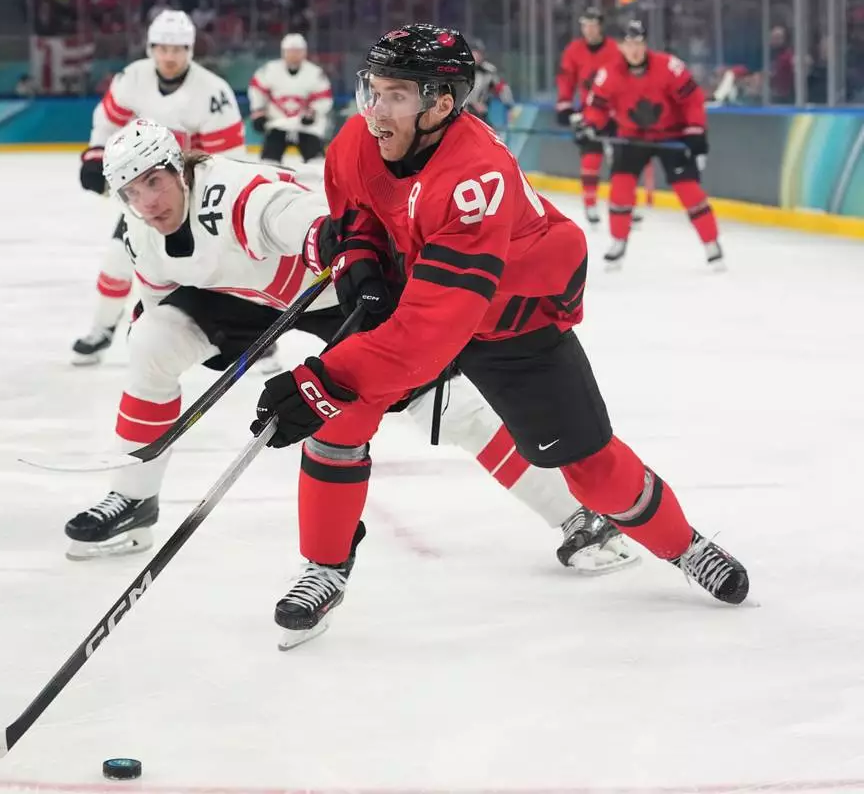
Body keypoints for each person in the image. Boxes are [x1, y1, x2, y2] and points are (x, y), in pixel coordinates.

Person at [249, 23, 749, 645]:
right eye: (372, 89)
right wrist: (361, 262)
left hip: (512, 312)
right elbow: (359, 216)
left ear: (440, 104)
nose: (376, 109)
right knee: (340, 417)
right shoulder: (359, 138)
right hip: (430, 286)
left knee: (591, 469)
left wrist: (324, 379)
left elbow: (430, 333)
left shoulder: (473, 176)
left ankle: (685, 545)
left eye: (396, 95)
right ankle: (324, 567)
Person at [64, 118, 635, 583]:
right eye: (131, 192)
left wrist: (329, 240)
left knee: (447, 407)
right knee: (152, 341)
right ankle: (133, 499)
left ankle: (576, 515)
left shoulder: (228, 192)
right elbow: (160, 294)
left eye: (154, 182)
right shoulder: (140, 232)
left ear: (178, 168)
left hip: (332, 286)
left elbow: (286, 212)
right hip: (247, 298)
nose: (146, 202)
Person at [72, 9, 246, 367]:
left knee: (216, 272)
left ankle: (253, 335)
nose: (170, 57)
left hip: (195, 198)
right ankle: (102, 329)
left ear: (190, 50)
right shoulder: (132, 78)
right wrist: (95, 155)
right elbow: (107, 123)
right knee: (117, 260)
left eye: (178, 49)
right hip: (147, 198)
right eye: (163, 48)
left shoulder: (213, 92)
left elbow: (229, 161)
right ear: (151, 48)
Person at [578, 19, 723, 270]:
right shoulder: (609, 73)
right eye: (628, 44)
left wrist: (696, 132)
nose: (634, 50)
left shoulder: (669, 67)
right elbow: (597, 107)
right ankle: (618, 242)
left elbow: (692, 99)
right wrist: (589, 125)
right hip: (632, 137)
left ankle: (711, 243)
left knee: (689, 189)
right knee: (620, 188)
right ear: (620, 47)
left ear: (645, 44)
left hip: (671, 135)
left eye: (638, 43)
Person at [555, 7, 624, 225]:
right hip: (590, 112)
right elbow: (566, 79)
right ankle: (590, 204)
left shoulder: (614, 49)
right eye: (585, 25)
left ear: (600, 26)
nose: (589, 30)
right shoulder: (574, 50)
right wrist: (565, 105)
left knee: (621, 162)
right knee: (591, 158)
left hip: (615, 113)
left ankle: (622, 204)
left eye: (593, 25)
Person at [248, 33, 333, 164]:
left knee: (317, 163)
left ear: (304, 52)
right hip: (277, 123)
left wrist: (313, 112)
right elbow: (257, 90)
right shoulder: (269, 70)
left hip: (306, 127)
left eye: (297, 51)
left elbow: (324, 97)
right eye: (290, 51)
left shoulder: (315, 73)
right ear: (283, 52)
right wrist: (258, 111)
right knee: (268, 163)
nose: (293, 55)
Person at [464, 39, 514, 126]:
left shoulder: (489, 71)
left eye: (479, 53)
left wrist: (509, 107)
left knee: (488, 131)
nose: (477, 56)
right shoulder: (461, 70)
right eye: (474, 52)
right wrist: (472, 104)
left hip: (481, 113)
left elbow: (501, 88)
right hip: (463, 112)